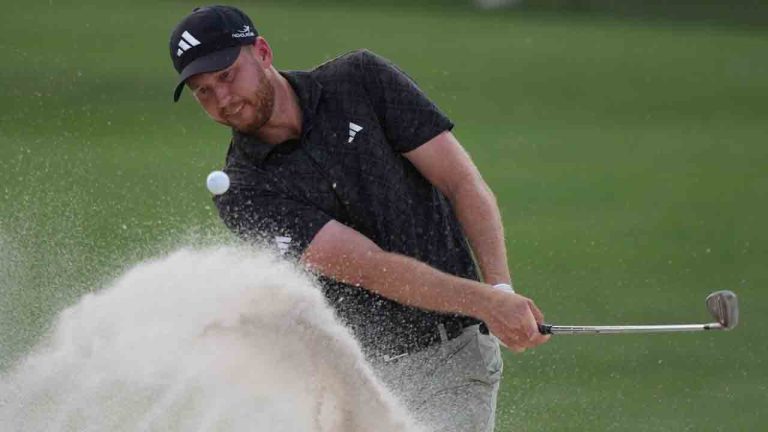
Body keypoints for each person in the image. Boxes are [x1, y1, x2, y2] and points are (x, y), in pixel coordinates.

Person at [169, 5, 549, 431]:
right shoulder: (243, 191)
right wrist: (486, 301)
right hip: (351, 383)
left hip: (452, 357)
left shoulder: (361, 81)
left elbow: (461, 182)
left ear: (262, 52)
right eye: (203, 91)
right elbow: (367, 267)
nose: (222, 100)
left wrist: (498, 288)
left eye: (226, 76)